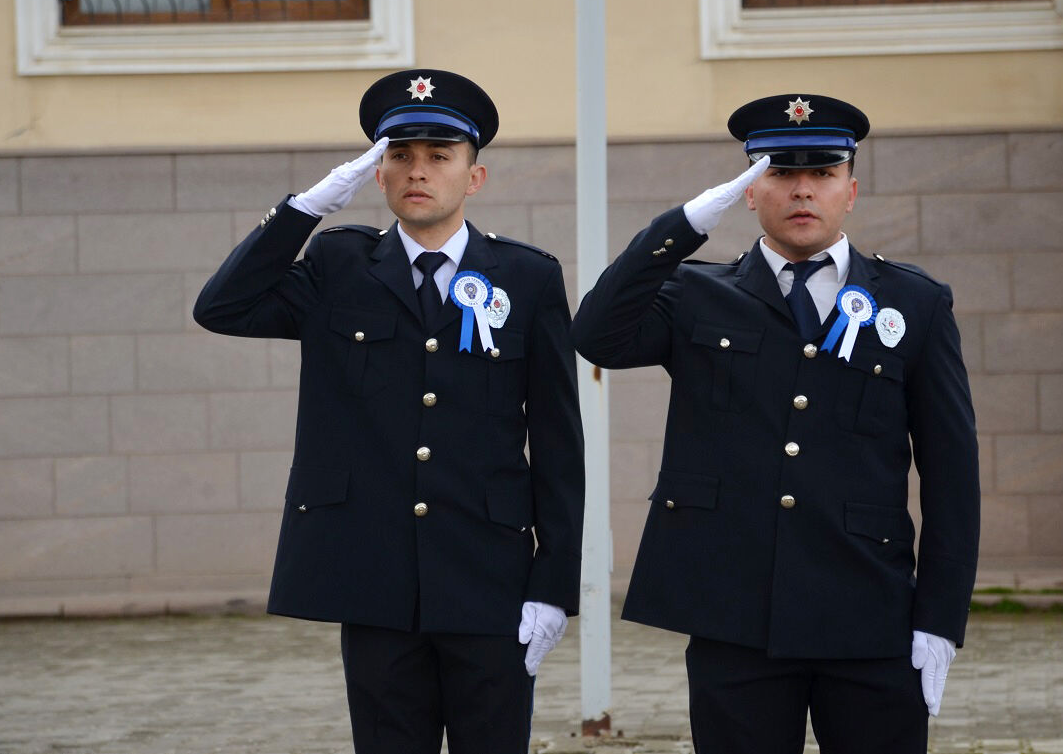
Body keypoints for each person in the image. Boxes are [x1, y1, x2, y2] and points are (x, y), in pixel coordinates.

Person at [571, 94, 978, 754]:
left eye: (821, 173)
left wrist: (939, 616)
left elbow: (953, 470)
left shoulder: (913, 302)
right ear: (751, 190)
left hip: (868, 613)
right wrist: (683, 224)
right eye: (781, 172)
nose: (802, 190)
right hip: (736, 619)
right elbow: (595, 335)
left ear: (852, 189)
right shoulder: (697, 295)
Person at [194, 69, 584, 754]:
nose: (418, 171)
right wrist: (306, 209)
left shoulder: (527, 277)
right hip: (372, 577)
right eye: (399, 155)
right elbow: (222, 307)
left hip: (490, 579)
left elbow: (557, 441)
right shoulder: (337, 266)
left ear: (475, 176)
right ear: (376, 175)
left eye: (440, 156)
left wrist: (553, 582)